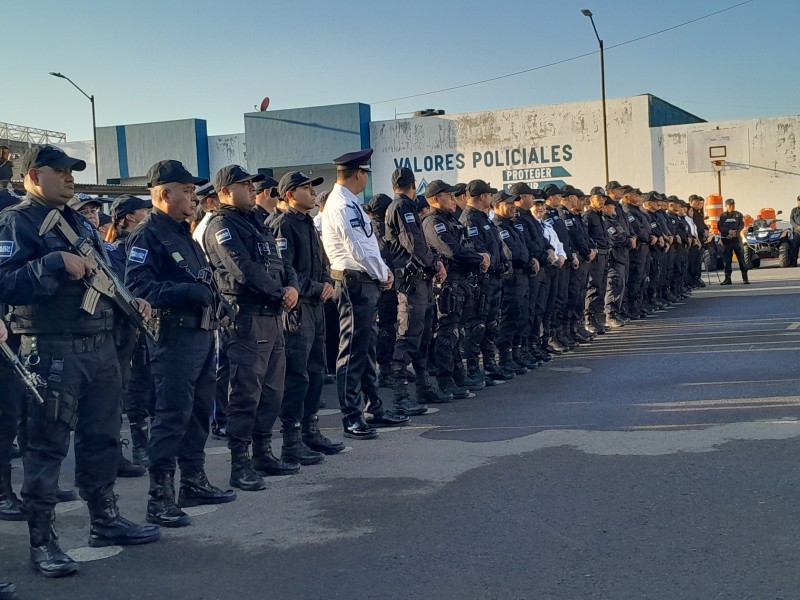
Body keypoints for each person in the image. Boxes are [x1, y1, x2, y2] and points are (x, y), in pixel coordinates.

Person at [0, 144, 160, 577]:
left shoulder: (77, 223)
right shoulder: (17, 222)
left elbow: (107, 277)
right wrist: (52, 262)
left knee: (103, 438)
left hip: (99, 347)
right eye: (61, 171)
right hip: (52, 348)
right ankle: (43, 541)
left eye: (73, 171)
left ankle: (104, 519)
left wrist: (134, 303)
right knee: (46, 448)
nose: (70, 178)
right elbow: (4, 283)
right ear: (33, 176)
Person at [126, 159, 236, 527]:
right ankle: (160, 496)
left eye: (193, 191)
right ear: (164, 194)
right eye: (187, 191)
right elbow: (137, 287)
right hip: (174, 337)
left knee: (199, 412)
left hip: (201, 336)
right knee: (172, 415)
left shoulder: (183, 233)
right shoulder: (148, 234)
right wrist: (183, 292)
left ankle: (193, 480)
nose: (194, 197)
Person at [203, 165, 305, 487]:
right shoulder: (222, 225)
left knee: (273, 392)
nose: (251, 188)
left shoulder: (258, 221)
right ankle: (240, 463)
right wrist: (280, 291)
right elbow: (242, 268)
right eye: (243, 184)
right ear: (224, 192)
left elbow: (281, 262)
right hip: (245, 319)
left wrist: (292, 287)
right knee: (246, 394)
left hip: (272, 316)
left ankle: (263, 452)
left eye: (251, 184)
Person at [320, 149, 408, 440]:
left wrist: (382, 270)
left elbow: (369, 246)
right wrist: (382, 274)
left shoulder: (352, 202)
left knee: (366, 348)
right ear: (359, 173)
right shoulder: (342, 205)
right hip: (354, 283)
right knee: (353, 352)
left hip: (365, 281)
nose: (365, 180)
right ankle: (351, 416)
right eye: (365, 174)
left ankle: (374, 407)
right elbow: (357, 248)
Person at [272, 172, 345, 457]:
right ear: (290, 194)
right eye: (305, 188)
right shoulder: (283, 226)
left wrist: (327, 282)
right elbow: (283, 270)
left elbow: (322, 263)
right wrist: (316, 287)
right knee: (297, 376)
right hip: (297, 311)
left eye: (312, 187)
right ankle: (291, 440)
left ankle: (310, 432)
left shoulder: (308, 225)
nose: (313, 193)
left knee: (316, 371)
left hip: (316, 307)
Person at [385, 167, 449, 410]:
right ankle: (401, 394)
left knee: (422, 337)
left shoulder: (405, 207)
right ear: (414, 186)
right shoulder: (402, 207)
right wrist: (435, 264)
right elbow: (413, 245)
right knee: (408, 336)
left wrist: (435, 263)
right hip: (412, 283)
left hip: (421, 281)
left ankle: (423, 387)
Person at [422, 180, 487, 397]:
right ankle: (445, 379)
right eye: (447, 195)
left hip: (462, 282)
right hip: (447, 285)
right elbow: (452, 250)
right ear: (434, 199)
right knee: (446, 333)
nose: (452, 198)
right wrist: (478, 258)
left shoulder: (453, 221)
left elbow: (466, 245)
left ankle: (458, 375)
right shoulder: (433, 222)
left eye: (452, 195)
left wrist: (478, 257)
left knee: (457, 333)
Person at [460, 179, 513, 381]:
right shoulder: (470, 220)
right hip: (481, 282)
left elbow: (497, 247)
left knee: (491, 324)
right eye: (489, 195)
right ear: (483, 196)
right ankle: (474, 367)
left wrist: (504, 264)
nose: (490, 198)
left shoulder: (485, 219)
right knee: (477, 325)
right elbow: (477, 249)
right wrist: (495, 265)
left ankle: (490, 363)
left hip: (494, 280)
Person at [717, 198, 748, 285]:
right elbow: (720, 227)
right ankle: (727, 279)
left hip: (737, 240)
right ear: (726, 206)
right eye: (730, 205)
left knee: (741, 259)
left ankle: (745, 278)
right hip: (727, 240)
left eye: (733, 205)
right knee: (727, 260)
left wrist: (735, 232)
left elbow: (741, 225)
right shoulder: (722, 216)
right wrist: (728, 232)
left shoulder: (738, 215)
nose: (732, 206)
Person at [790, 195, 800, 267]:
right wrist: (797, 226)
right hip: (796, 232)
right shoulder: (794, 210)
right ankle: (794, 263)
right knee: (795, 247)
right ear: (797, 201)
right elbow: (791, 220)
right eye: (799, 201)